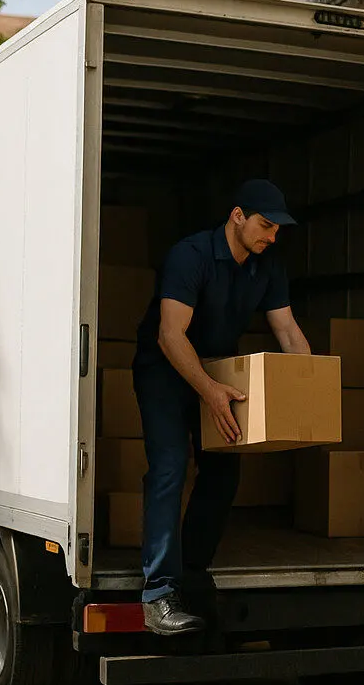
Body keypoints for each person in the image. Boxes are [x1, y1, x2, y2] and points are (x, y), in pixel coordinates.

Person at [131, 178, 312, 636]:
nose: (272, 237)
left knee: (224, 469)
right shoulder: (190, 256)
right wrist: (209, 391)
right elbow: (170, 335)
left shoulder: (268, 264)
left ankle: (191, 571)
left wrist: (308, 391)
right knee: (171, 467)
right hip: (165, 370)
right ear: (237, 216)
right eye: (265, 225)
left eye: (276, 230)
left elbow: (287, 331)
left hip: (217, 369)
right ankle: (159, 593)